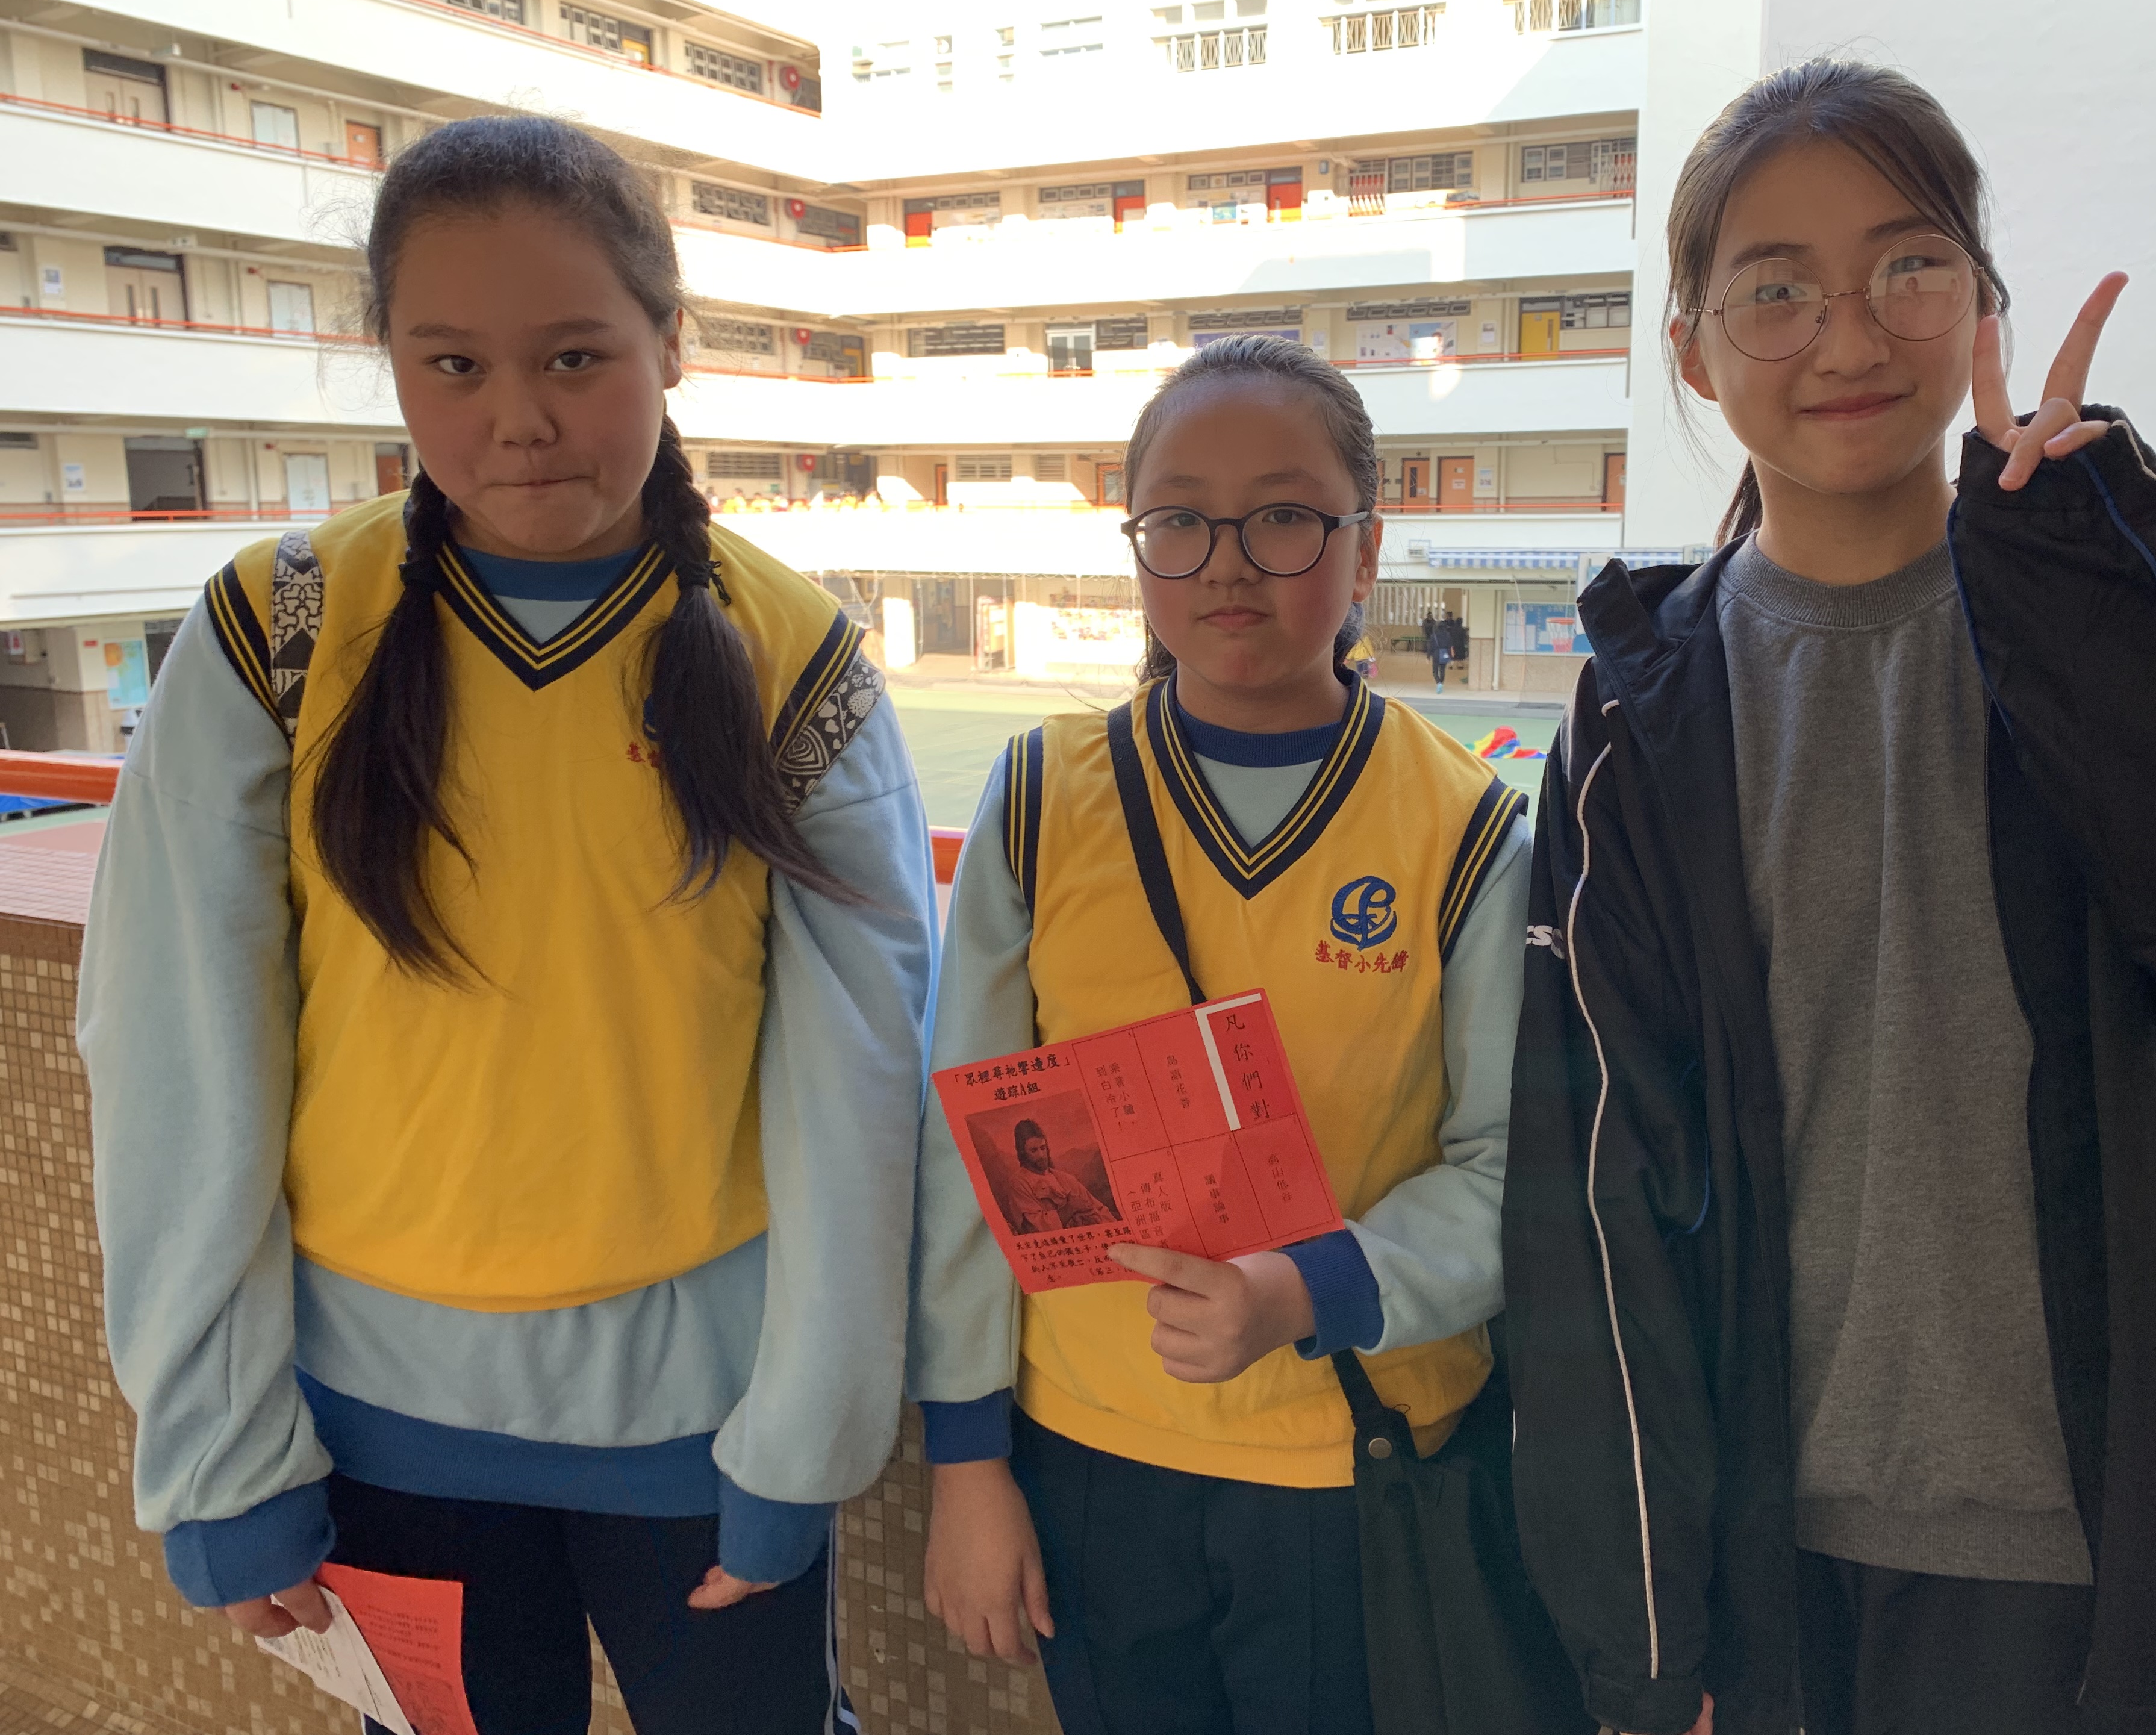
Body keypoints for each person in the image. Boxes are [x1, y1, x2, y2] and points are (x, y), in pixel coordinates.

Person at [1503, 57, 2156, 1735]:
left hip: (2081, 1548)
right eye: (1777, 289)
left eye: (1908, 266)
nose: (1849, 337)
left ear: (1985, 300)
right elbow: (1599, 1188)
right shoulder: (1639, 716)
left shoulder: (2092, 612)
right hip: (1770, 1558)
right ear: (1692, 350)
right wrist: (1647, 1633)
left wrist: (2114, 548)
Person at [78, 115, 935, 1735]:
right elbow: (176, 1059)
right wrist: (218, 1450)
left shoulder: (793, 651)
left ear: (671, 344)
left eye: (575, 357)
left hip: (704, 1429)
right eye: (453, 364)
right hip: (378, 1434)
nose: (518, 419)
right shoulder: (277, 632)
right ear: (392, 364)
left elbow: (861, 1075)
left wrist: (806, 1440)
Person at [910, 334, 1531, 1735]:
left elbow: (1508, 1172)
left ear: (1367, 552)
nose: (1228, 564)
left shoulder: (1468, 829)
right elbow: (970, 1155)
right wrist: (967, 1461)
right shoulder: (1043, 792)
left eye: (1286, 517)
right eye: (1180, 521)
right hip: (1088, 1452)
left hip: (1353, 1462)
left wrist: (1301, 1289)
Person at [1001, 1120, 1114, 1233]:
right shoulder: (1018, 1184)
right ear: (1023, 1153)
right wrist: (1071, 1208)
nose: (1041, 1155)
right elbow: (1035, 1226)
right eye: (1034, 1151)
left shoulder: (1066, 1179)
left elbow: (1099, 1209)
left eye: (1043, 1148)